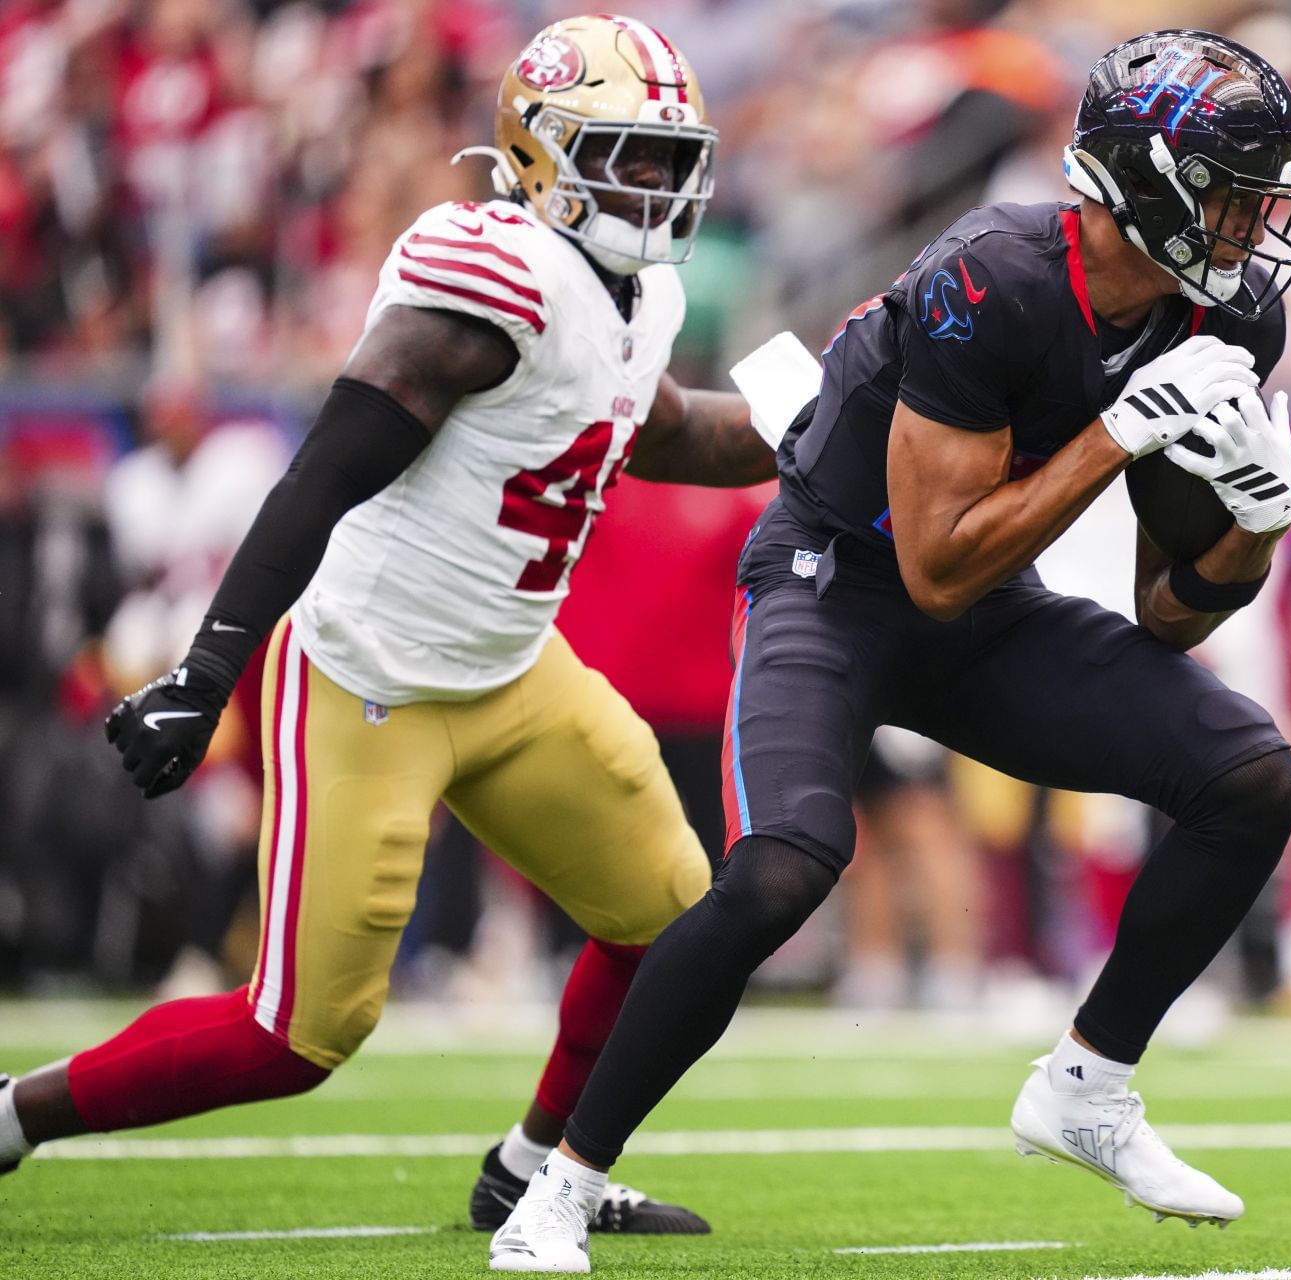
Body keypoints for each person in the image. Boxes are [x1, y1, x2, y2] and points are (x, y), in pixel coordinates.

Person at [490, 29, 1291, 1272]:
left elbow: (1168, 611)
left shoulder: (1232, 314)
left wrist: (1251, 524)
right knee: (782, 866)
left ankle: (1087, 1084)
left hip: (984, 607)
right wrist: (1111, 436)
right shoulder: (994, 275)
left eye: (1266, 196)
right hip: (837, 579)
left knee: (1251, 774)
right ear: (1144, 181)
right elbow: (930, 562)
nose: (1255, 225)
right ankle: (559, 1181)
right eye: (1231, 193)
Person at [0, 14, 771, 1239]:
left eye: (668, 159)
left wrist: (832, 401)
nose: (655, 185)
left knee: (676, 921)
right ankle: (13, 1113)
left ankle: (534, 1165)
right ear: (538, 153)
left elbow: (666, 425)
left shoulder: (640, 298)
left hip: (514, 668)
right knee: (297, 1032)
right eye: (624, 155)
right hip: (371, 674)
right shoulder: (491, 275)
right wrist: (207, 672)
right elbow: (322, 474)